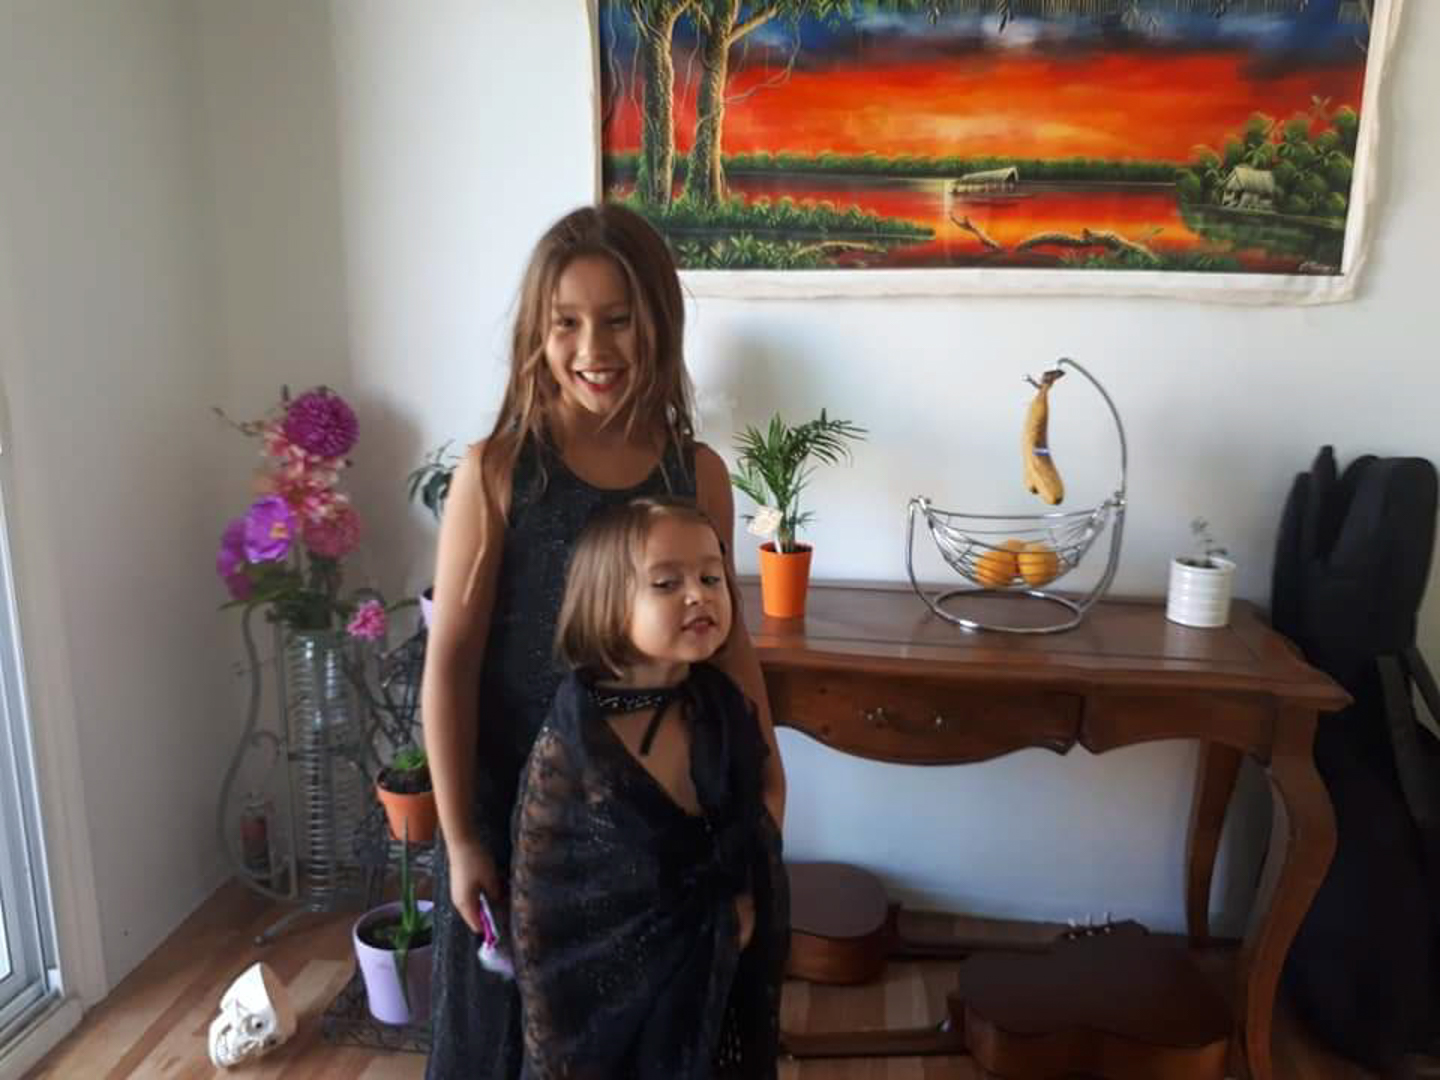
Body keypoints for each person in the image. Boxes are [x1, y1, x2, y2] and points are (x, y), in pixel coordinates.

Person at [420, 203, 786, 1079]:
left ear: (657, 321)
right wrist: (461, 837)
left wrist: (768, 775)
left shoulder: (696, 473)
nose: (595, 348)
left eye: (618, 320)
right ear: (536, 334)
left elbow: (729, 645)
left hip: (663, 831)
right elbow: (451, 666)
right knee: (518, 1042)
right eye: (568, 323)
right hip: (526, 830)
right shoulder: (498, 472)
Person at [510, 498, 788, 1079]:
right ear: (607, 603)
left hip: (713, 980)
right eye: (667, 583)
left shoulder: (720, 707)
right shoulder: (579, 736)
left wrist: (737, 904)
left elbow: (751, 819)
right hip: (611, 1009)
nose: (698, 596)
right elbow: (548, 901)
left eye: (711, 578)